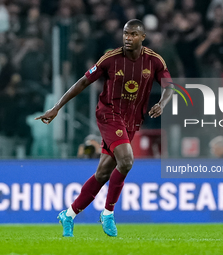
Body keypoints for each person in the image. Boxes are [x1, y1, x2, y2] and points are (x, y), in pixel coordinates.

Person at [35, 19, 173, 237]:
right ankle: (108, 213)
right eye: (126, 33)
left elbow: (169, 86)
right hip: (109, 115)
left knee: (103, 173)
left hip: (132, 120)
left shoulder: (154, 61)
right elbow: (83, 81)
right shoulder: (111, 59)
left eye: (133, 34)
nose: (128, 38)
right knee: (126, 160)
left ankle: (68, 215)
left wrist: (162, 104)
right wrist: (56, 107)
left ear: (143, 37)